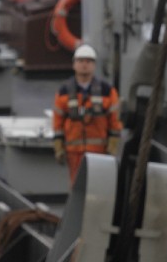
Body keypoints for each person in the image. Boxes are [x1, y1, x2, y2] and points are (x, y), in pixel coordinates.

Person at [52, 43, 123, 183]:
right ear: (74, 64)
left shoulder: (107, 91)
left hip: (100, 151)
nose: (84, 65)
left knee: (99, 186)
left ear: (94, 65)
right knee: (77, 186)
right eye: (80, 61)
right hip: (74, 152)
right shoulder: (64, 92)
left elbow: (115, 121)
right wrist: (59, 147)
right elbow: (58, 122)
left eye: (88, 61)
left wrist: (113, 145)